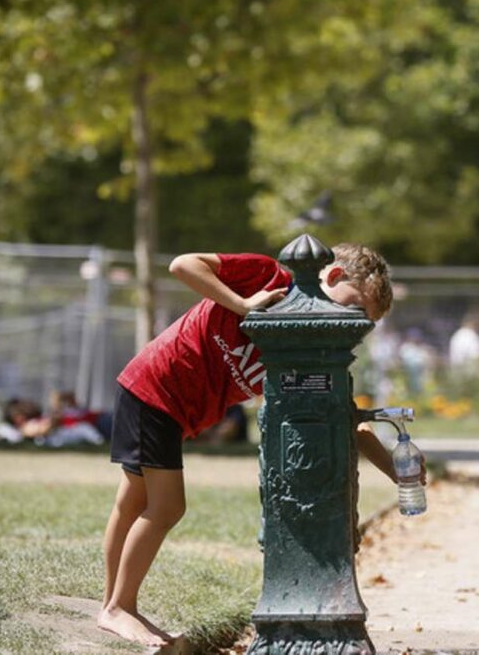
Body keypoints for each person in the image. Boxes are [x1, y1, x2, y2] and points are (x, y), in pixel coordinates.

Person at [98, 243, 406, 648]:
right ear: (330, 277)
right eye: (355, 309)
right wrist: (244, 305)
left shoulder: (308, 346)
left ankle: (112, 606)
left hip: (173, 408)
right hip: (158, 387)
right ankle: (120, 607)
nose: (352, 324)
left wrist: (400, 472)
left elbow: (341, 417)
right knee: (166, 506)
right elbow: (182, 265)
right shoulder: (266, 278)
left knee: (134, 502)